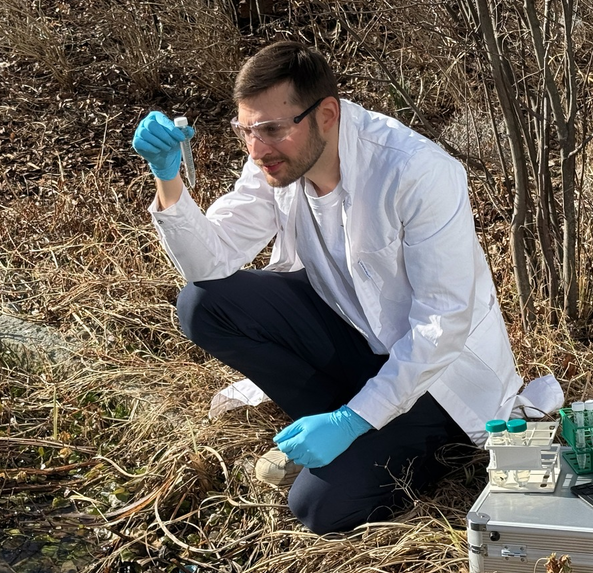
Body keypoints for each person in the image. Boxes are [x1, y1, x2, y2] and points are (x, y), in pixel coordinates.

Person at [132, 41, 537, 535]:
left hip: (438, 377)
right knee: (204, 305)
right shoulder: (279, 161)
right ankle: (337, 421)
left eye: (271, 129)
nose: (258, 148)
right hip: (355, 335)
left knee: (320, 509)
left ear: (326, 114)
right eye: (246, 131)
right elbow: (209, 262)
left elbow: (441, 325)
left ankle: (417, 444)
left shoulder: (416, 172)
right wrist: (168, 181)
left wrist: (353, 421)